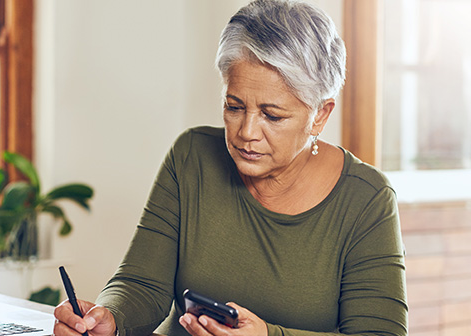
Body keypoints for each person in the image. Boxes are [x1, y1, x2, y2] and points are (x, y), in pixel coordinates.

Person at [53, 0, 408, 335]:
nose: (247, 133)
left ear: (320, 115)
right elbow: (142, 283)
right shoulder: (191, 156)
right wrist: (110, 318)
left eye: (272, 115)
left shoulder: (366, 198)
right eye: (234, 107)